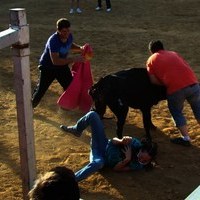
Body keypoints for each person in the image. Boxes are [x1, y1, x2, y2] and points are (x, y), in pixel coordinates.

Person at [60, 111, 158, 182]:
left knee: (98, 163)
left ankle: (70, 181)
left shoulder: (138, 165)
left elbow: (116, 169)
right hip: (103, 143)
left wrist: (127, 159)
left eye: (144, 161)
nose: (141, 160)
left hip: (101, 156)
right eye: (141, 157)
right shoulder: (134, 143)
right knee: (93, 115)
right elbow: (113, 141)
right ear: (141, 149)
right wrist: (120, 141)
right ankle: (77, 129)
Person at [146, 40, 200, 146]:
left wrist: (165, 83)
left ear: (151, 51)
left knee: (176, 112)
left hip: (176, 89)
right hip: (194, 84)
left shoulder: (151, 60)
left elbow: (153, 80)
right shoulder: (173, 53)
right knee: (198, 109)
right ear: (163, 48)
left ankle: (186, 138)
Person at [32, 18, 85, 108]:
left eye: (68, 30)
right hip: (48, 68)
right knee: (41, 91)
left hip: (61, 66)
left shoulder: (69, 36)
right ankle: (30, 107)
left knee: (70, 87)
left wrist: (81, 48)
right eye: (64, 31)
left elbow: (70, 44)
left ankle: (65, 105)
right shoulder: (53, 41)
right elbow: (56, 61)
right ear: (58, 31)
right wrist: (74, 59)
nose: (67, 33)